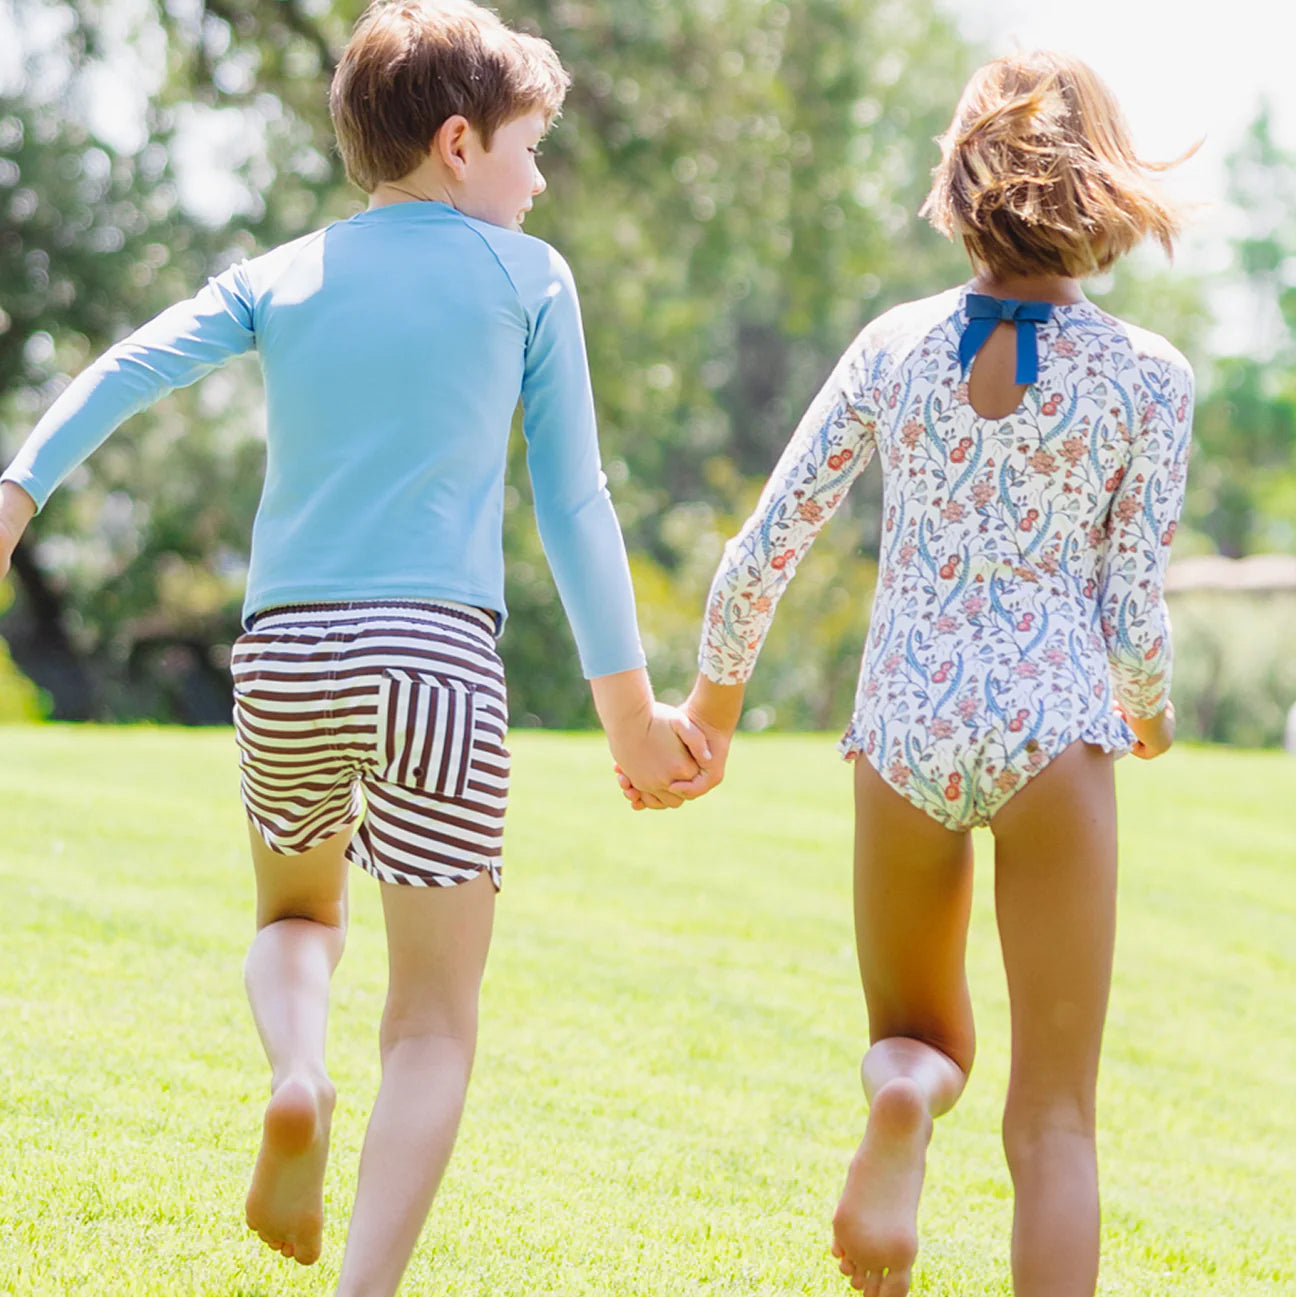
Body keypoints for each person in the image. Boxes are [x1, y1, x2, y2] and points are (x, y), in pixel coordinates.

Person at [0, 2, 706, 1293]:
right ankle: (363, 1287)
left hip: (287, 658)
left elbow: (130, 365)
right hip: (440, 664)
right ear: (457, 142)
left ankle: (295, 1073)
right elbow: (573, 503)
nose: (540, 180)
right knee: (435, 1022)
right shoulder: (528, 279)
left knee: (293, 912)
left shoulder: (283, 271)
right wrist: (633, 721)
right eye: (530, 148)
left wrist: (17, 492)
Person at [628, 50, 1193, 1297]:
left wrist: (710, 711)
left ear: (962, 182)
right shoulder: (1152, 378)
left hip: (901, 727)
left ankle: (901, 1108)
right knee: (1056, 1120)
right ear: (1102, 186)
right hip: (1053, 733)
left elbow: (765, 546)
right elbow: (1133, 611)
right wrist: (1147, 719)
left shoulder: (895, 346)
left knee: (913, 1034)